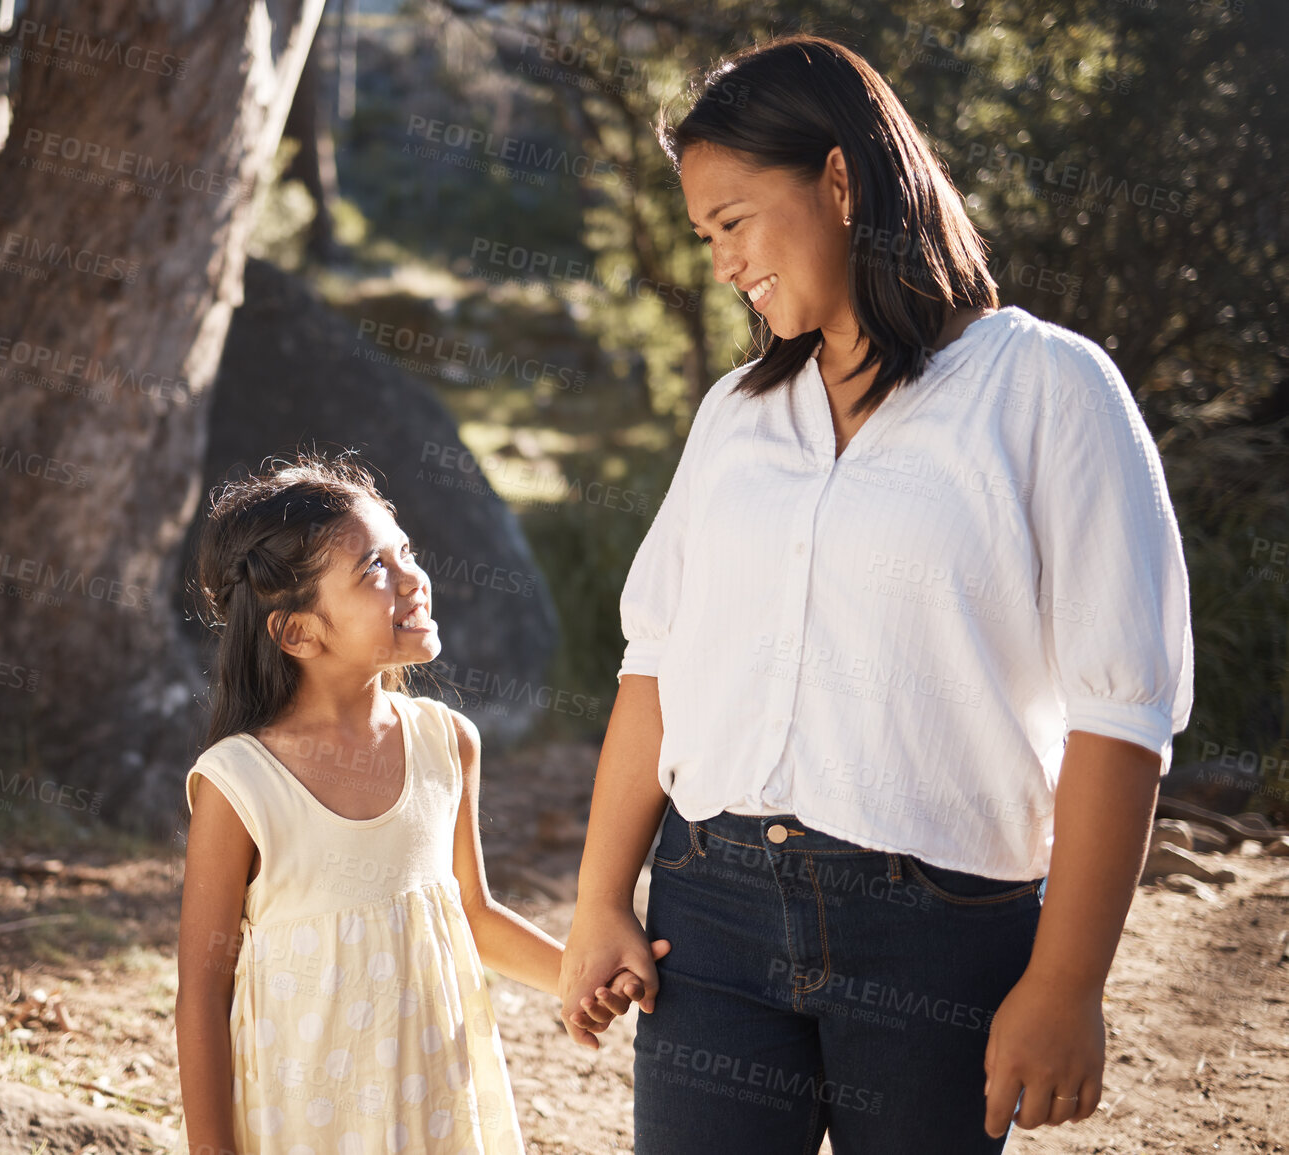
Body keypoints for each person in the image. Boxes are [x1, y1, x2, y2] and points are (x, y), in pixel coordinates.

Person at [556, 34, 1194, 1155]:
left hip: (938, 935)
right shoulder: (737, 417)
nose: (722, 264)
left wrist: (1068, 984)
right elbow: (654, 660)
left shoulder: (1048, 388)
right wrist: (602, 900)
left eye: (734, 223)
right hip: (710, 912)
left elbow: (1120, 711)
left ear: (841, 179)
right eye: (705, 239)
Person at [173, 451, 658, 1155]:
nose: (412, 579)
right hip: (306, 1118)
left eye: (405, 552)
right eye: (373, 569)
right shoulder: (241, 782)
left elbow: (469, 913)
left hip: (433, 1102)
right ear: (297, 631)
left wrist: (577, 977)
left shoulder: (445, 740)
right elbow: (201, 991)